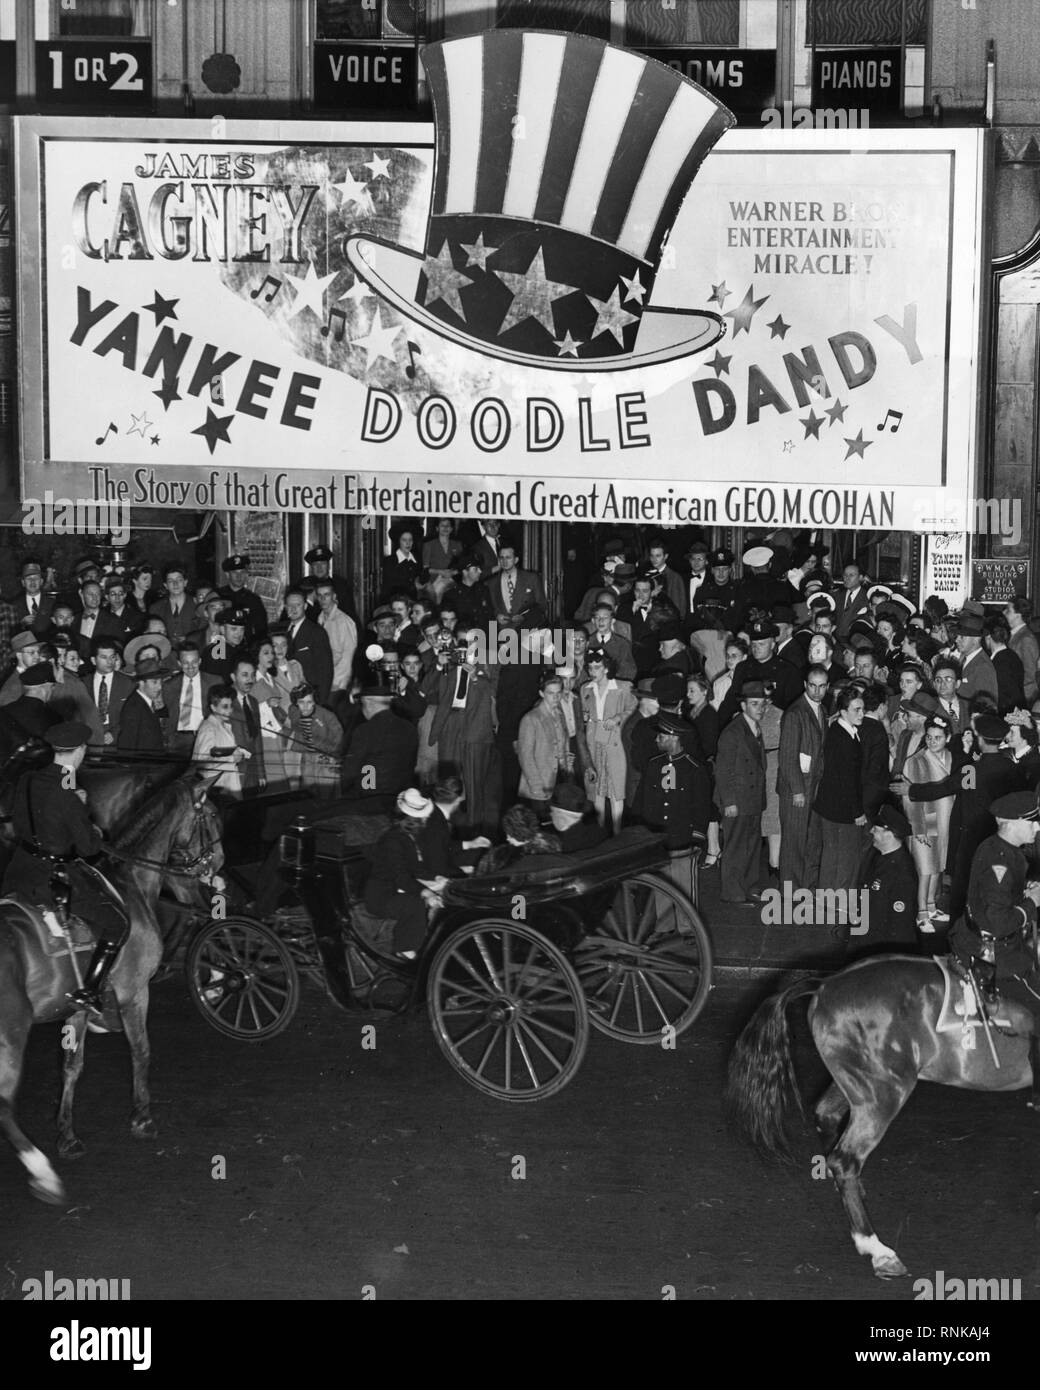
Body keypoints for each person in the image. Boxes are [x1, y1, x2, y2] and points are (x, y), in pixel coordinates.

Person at [3, 722, 126, 1017]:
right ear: (80, 751)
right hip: (53, 878)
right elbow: (88, 849)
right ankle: (90, 991)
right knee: (117, 924)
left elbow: (19, 824)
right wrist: (86, 820)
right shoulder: (68, 794)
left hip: (18, 870)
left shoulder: (28, 779)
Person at [949, 790, 1040, 1040]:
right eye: (1031, 820)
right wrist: (1032, 903)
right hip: (993, 954)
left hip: (976, 938)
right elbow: (999, 923)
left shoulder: (996, 847)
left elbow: (997, 897)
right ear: (1009, 823)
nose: (1037, 826)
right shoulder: (1000, 861)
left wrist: (1023, 895)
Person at [425, 628, 501, 838]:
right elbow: (424, 689)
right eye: (462, 644)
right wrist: (439, 664)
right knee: (448, 779)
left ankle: (475, 831)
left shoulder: (488, 663)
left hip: (475, 729)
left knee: (473, 782)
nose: (466, 649)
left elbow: (492, 689)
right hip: (450, 722)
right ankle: (447, 829)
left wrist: (474, 674)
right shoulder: (447, 665)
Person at [363, 789, 447, 958]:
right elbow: (401, 878)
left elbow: (416, 869)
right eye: (423, 817)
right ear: (413, 820)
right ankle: (405, 950)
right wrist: (427, 892)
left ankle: (433, 946)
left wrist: (436, 879)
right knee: (413, 905)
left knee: (443, 894)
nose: (426, 819)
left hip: (397, 887)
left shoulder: (409, 837)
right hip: (382, 895)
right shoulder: (392, 841)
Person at [714, 681, 768, 904]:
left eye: (763, 704)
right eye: (755, 704)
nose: (760, 709)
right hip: (737, 800)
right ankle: (734, 893)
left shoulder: (754, 727)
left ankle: (750, 887)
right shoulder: (733, 732)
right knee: (736, 846)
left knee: (753, 845)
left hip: (753, 799)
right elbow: (723, 770)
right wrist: (729, 802)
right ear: (743, 705)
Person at [902, 713, 955, 932]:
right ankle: (921, 914)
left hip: (945, 818)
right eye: (930, 737)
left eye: (938, 738)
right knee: (925, 868)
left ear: (948, 738)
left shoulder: (951, 757)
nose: (933, 742)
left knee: (937, 866)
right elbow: (910, 798)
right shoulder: (916, 761)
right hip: (926, 818)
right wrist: (918, 827)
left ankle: (932, 906)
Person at [777, 665, 828, 890]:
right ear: (805, 685)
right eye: (812, 686)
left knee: (809, 840)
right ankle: (790, 890)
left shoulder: (821, 710)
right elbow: (788, 756)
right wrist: (797, 789)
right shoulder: (795, 713)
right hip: (796, 789)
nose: (817, 691)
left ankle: (805, 886)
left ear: (827, 687)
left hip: (814, 786)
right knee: (794, 841)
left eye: (822, 686)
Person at [814, 686, 869, 895]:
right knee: (846, 855)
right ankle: (839, 899)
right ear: (843, 712)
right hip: (841, 808)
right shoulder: (843, 738)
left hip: (830, 806)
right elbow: (847, 779)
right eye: (856, 710)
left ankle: (827, 898)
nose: (861, 714)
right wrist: (858, 812)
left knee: (832, 853)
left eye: (862, 709)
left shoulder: (842, 731)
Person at [850, 804, 920, 958]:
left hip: (880, 953)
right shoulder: (879, 857)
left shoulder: (902, 873)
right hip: (865, 941)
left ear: (889, 835)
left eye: (875, 829)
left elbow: (901, 928)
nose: (870, 831)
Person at [639, 711, 713, 853]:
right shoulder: (654, 765)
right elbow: (646, 802)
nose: (656, 739)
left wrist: (697, 837)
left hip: (683, 837)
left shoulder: (694, 769)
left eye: (661, 736)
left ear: (674, 737)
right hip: (657, 837)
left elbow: (702, 807)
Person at [581, 651, 636, 834]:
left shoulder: (623, 687)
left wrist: (619, 717)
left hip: (615, 744)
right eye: (590, 668)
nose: (592, 671)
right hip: (594, 744)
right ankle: (600, 830)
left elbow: (634, 707)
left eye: (597, 667)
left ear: (606, 668)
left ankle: (618, 831)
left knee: (616, 788)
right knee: (596, 787)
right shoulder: (586, 689)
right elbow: (584, 714)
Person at [341, 683, 419, 806]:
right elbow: (412, 763)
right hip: (401, 797)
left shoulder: (365, 730)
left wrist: (346, 792)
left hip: (370, 796)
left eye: (362, 704)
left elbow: (352, 769)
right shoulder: (409, 728)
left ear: (369, 703)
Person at [517, 673, 571, 813]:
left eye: (558, 693)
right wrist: (537, 788)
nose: (556, 697)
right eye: (550, 693)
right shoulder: (531, 719)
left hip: (558, 781)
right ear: (541, 693)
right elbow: (525, 757)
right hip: (538, 787)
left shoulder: (559, 714)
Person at [285, 682, 343, 798]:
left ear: (315, 702)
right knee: (309, 790)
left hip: (325, 757)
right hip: (308, 757)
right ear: (296, 703)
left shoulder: (327, 715)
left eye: (309, 702)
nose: (305, 706)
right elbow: (291, 712)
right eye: (301, 702)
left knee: (326, 792)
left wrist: (330, 752)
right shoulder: (294, 712)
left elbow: (339, 734)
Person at [192, 685, 252, 799]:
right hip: (215, 789)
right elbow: (201, 762)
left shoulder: (224, 726)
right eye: (225, 707)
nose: (229, 710)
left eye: (230, 706)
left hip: (228, 785)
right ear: (213, 708)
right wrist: (231, 758)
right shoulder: (208, 728)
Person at [163, 641, 217, 756]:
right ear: (179, 663)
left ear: (200, 661)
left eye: (194, 662)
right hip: (177, 741)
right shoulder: (169, 685)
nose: (191, 667)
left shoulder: (214, 682)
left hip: (205, 738)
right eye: (186, 663)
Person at [476, 805, 564, 874]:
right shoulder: (554, 845)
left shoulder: (497, 858)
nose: (507, 838)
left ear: (509, 834)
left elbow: (480, 884)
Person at [284, 588, 333, 703]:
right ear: (285, 607)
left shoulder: (316, 632)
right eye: (290, 605)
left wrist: (321, 701)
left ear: (305, 606)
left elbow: (326, 671)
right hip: (286, 695)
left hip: (309, 697)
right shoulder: (280, 630)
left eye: (298, 605)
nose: (293, 609)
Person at [486, 543, 547, 630]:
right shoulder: (492, 583)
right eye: (501, 558)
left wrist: (524, 617)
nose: (504, 561)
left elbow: (542, 605)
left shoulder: (531, 578)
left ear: (516, 560)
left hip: (528, 630)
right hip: (504, 633)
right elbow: (490, 608)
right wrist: (496, 616)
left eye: (508, 557)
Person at [314, 578, 357, 693]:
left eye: (327, 595)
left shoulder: (343, 621)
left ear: (334, 596)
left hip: (337, 685)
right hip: (324, 681)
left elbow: (348, 657)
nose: (323, 599)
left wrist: (339, 685)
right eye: (319, 595)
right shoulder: (320, 618)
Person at [117, 660, 169, 753]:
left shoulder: (148, 702)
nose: (159, 687)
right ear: (141, 682)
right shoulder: (133, 708)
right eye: (154, 682)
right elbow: (127, 746)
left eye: (160, 682)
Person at [215, 554, 268, 643]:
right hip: (221, 645)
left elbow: (261, 629)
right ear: (227, 574)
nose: (239, 576)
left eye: (242, 572)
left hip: (246, 646)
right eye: (235, 573)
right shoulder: (218, 596)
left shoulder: (253, 600)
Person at [549, 781, 608, 853]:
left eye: (552, 811)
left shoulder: (561, 847)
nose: (550, 814)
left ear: (562, 818)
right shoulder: (600, 833)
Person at [984, 614, 1025, 713]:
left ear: (989, 637)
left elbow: (1007, 697)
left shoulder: (1000, 662)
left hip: (1007, 717)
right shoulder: (1011, 655)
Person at [1005, 597, 1039, 704]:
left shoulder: (1026, 639)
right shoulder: (1014, 635)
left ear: (1018, 615)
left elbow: (1030, 674)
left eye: (1008, 610)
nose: (1004, 612)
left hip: (1024, 698)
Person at [379, 526, 422, 602]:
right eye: (404, 540)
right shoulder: (389, 561)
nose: (408, 543)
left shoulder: (417, 560)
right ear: (398, 541)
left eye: (410, 540)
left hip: (413, 601)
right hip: (394, 601)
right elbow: (388, 587)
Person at [711, 637, 747, 711]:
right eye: (728, 655)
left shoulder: (752, 679)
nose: (729, 659)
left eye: (734, 656)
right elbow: (715, 711)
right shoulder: (719, 683)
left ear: (744, 657)